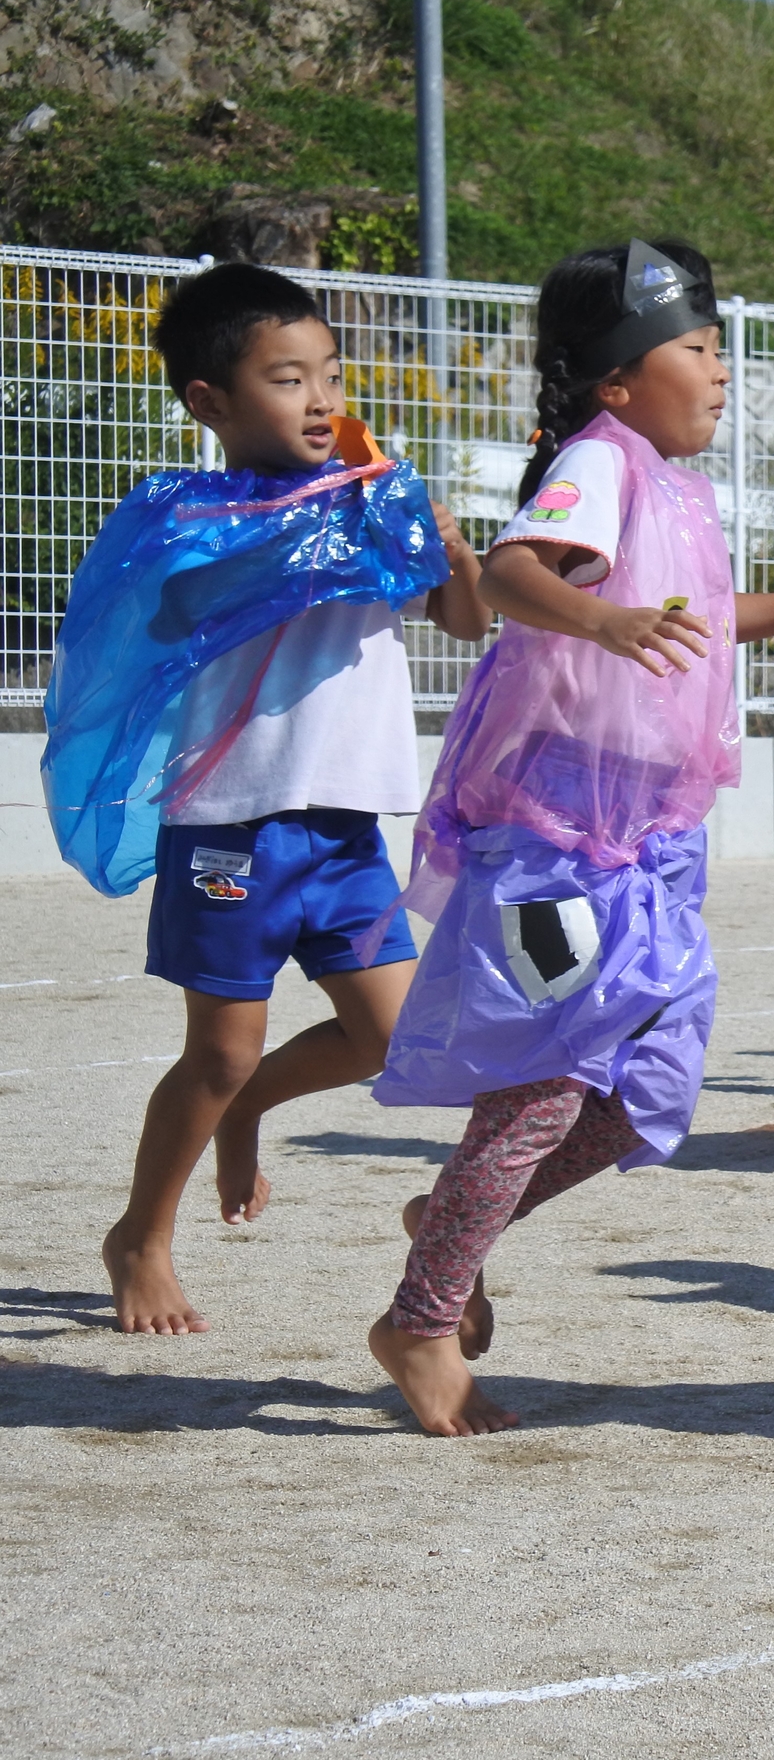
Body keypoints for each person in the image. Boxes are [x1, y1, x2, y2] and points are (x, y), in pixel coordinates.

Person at [368, 240, 774, 1434]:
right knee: (548, 1085)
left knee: (647, 1094)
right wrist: (603, 622)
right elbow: (516, 570)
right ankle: (420, 1318)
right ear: (617, 380)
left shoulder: (677, 483)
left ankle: (455, 1221)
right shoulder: (596, 462)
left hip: (652, 842)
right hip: (558, 838)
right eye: (696, 348)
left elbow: (703, 623)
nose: (721, 369)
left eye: (721, 348)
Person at [48, 263, 490, 1334]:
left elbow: (465, 619)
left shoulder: (374, 498)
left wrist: (445, 542)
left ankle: (247, 1112)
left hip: (344, 828)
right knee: (222, 1044)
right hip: (229, 824)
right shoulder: (184, 514)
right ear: (210, 400)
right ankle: (140, 1236)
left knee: (394, 1040)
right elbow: (176, 606)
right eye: (288, 378)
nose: (323, 399)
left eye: (330, 374)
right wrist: (309, 542)